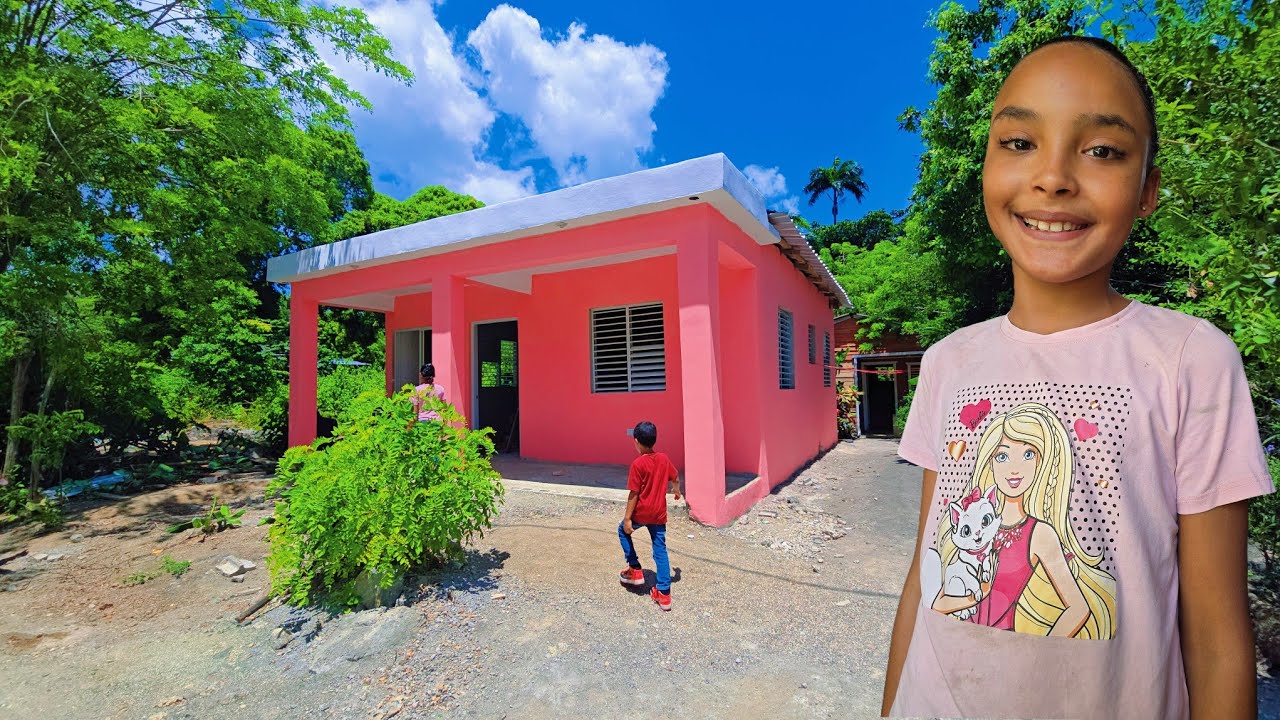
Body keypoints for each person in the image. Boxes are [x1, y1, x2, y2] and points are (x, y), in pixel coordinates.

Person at [882, 35, 1274, 720]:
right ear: (985, 169)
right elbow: (923, 577)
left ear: (1147, 188)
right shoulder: (949, 362)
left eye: (1102, 151)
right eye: (1019, 143)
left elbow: (1215, 638)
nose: (1054, 177)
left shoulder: (1191, 359)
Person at [617, 420, 681, 611]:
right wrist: (676, 491)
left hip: (641, 513)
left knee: (622, 531)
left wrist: (628, 518)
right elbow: (675, 477)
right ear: (654, 440)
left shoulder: (638, 464)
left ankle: (635, 569)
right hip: (659, 514)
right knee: (660, 549)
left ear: (636, 441)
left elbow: (634, 493)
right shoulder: (663, 458)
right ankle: (664, 594)